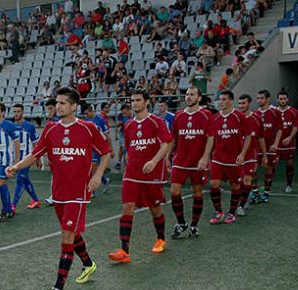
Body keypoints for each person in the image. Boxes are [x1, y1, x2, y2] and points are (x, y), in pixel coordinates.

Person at [6, 87, 110, 290]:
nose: (58, 106)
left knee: (66, 236)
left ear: (73, 106)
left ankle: (58, 288)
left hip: (78, 193)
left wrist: (98, 175)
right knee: (71, 233)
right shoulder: (50, 130)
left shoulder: (88, 128)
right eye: (57, 102)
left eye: (63, 103)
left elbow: (106, 152)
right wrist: (16, 166)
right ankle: (89, 264)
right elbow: (35, 154)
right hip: (58, 193)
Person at [108, 89, 172, 263]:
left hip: (151, 174)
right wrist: (129, 160)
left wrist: (154, 161)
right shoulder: (128, 125)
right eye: (132, 100)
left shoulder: (156, 122)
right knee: (128, 206)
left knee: (155, 208)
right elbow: (129, 147)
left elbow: (166, 144)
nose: (134, 103)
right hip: (132, 173)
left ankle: (160, 238)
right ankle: (124, 250)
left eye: (137, 100)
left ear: (146, 102)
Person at [169, 87, 213, 239]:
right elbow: (172, 138)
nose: (188, 97)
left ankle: (194, 225)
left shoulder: (206, 115)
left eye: (192, 94)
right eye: (187, 94)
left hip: (197, 161)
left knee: (197, 193)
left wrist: (205, 157)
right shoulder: (179, 115)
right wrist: (167, 157)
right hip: (180, 160)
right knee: (174, 191)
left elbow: (211, 137)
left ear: (199, 98)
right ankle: (181, 223)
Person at [208, 90, 252, 224]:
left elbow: (249, 136)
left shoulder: (239, 116)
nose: (221, 102)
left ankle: (232, 212)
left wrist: (242, 154)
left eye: (224, 99)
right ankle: (218, 211)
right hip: (218, 157)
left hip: (234, 158)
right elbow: (210, 138)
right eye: (219, 99)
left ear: (230, 101)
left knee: (235, 185)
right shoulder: (214, 118)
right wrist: (208, 156)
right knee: (213, 184)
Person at [236, 94, 267, 216]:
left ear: (249, 103)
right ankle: (243, 197)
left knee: (247, 178)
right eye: (239, 103)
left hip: (251, 154)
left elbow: (261, 138)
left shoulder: (257, 118)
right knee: (238, 181)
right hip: (236, 154)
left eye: (244, 103)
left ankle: (242, 205)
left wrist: (264, 155)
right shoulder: (235, 118)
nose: (241, 106)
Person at [253, 90, 282, 203]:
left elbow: (279, 130)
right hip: (257, 147)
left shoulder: (275, 112)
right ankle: (255, 192)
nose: (259, 100)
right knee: (252, 170)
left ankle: (266, 192)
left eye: (261, 98)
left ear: (268, 99)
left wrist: (276, 144)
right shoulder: (255, 113)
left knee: (268, 169)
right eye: (258, 98)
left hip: (270, 147)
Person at [10, 104, 41, 212]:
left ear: (22, 112)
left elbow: (36, 144)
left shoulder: (29, 126)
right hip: (17, 159)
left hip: (27, 159)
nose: (16, 114)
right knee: (25, 180)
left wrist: (37, 159)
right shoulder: (11, 127)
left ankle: (13, 205)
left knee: (20, 179)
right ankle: (36, 200)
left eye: (18, 111)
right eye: (14, 112)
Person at [82, 103, 113, 194]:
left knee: (93, 166)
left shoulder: (100, 120)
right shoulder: (86, 121)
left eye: (87, 113)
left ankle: (91, 190)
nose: (86, 115)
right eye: (85, 114)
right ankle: (104, 180)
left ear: (92, 110)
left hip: (99, 148)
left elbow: (107, 135)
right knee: (90, 168)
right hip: (90, 147)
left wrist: (110, 148)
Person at [276, 90, 298, 193]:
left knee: (290, 164)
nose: (282, 101)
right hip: (276, 144)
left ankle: (289, 184)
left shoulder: (294, 111)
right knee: (271, 165)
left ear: (288, 99)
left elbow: (295, 127)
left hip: (289, 144)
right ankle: (267, 187)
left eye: (284, 99)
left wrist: (289, 138)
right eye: (280, 99)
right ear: (278, 99)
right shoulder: (273, 112)